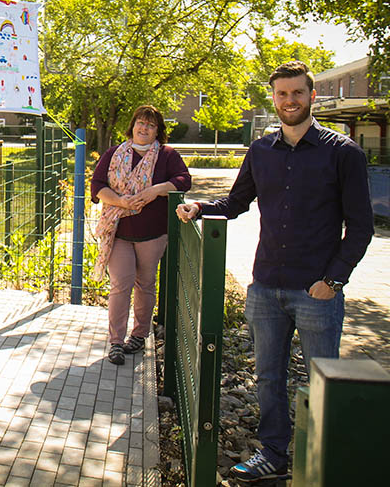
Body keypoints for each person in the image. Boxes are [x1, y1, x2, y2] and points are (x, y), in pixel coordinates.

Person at [176, 61, 374, 482]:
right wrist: (198, 207)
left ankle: (319, 463)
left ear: (312, 95)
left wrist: (334, 281)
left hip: (316, 290)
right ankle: (274, 455)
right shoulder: (261, 151)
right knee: (268, 377)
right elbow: (235, 203)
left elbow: (361, 227)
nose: (289, 101)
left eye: (297, 93)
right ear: (274, 98)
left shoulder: (343, 153)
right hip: (265, 286)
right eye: (282, 94)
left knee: (324, 382)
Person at [91, 105, 191, 365]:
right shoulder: (114, 154)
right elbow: (97, 185)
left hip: (152, 234)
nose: (144, 128)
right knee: (120, 285)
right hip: (119, 232)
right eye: (140, 123)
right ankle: (115, 341)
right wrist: (122, 203)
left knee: (145, 285)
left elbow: (183, 179)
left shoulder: (167, 156)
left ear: (158, 131)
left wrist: (158, 190)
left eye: (150, 125)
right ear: (132, 125)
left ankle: (138, 335)